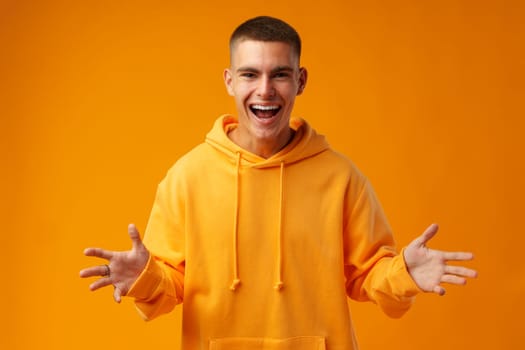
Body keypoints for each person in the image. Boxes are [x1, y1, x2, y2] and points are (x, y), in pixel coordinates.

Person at [80, 16, 477, 350]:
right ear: (230, 81)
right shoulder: (187, 177)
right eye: (250, 74)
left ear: (300, 81)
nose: (265, 90)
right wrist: (144, 277)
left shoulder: (341, 177)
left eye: (280, 75)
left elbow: (367, 275)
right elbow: (170, 287)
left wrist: (404, 272)